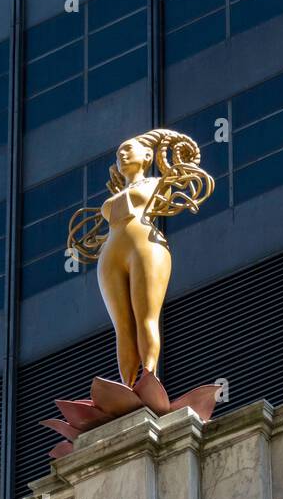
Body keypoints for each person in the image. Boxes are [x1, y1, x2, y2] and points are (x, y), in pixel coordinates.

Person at [67, 129, 214, 386]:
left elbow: (186, 185)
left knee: (146, 317)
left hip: (145, 247)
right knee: (122, 328)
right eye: (118, 153)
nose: (121, 155)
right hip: (111, 254)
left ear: (148, 155)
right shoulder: (114, 196)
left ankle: (148, 375)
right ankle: (128, 385)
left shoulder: (158, 183)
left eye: (128, 150)